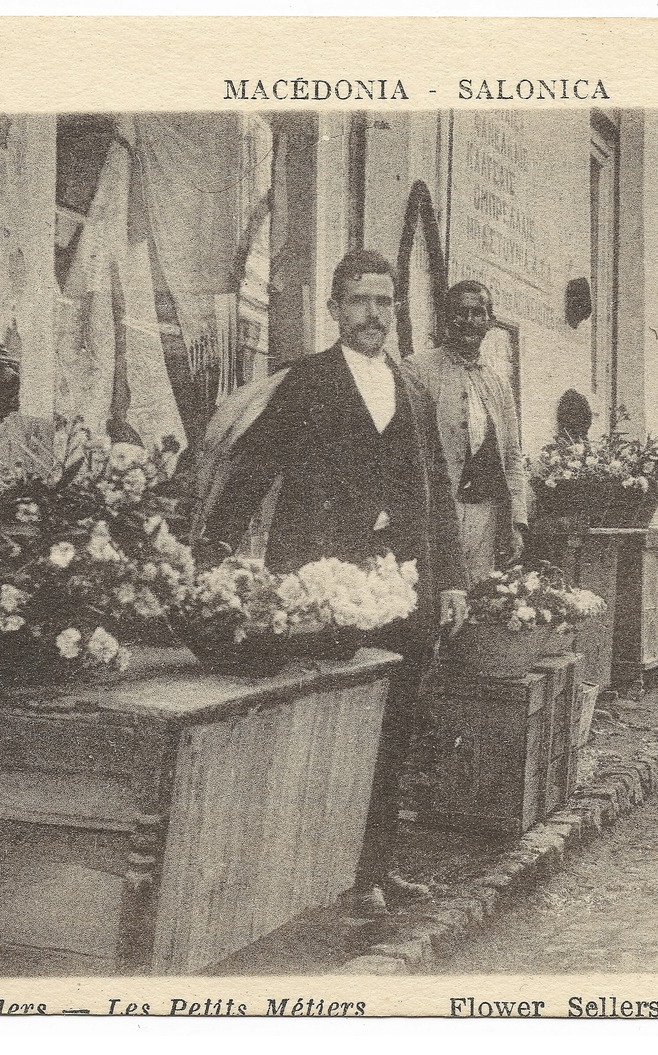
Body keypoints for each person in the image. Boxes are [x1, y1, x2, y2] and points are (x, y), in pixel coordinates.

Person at [203, 248, 469, 914]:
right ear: (333, 309)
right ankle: (310, 878)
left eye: (383, 301)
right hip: (318, 585)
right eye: (358, 300)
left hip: (398, 588)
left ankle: (374, 867)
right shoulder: (305, 382)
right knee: (322, 727)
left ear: (394, 309)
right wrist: (210, 551)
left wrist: (451, 580)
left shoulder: (409, 386)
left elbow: (436, 487)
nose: (372, 313)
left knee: (394, 728)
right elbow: (253, 471)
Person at [402, 280, 527, 581]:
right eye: (459, 313)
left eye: (477, 313)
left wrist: (517, 522)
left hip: (486, 514)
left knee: (481, 601)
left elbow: (511, 456)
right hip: (437, 516)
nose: (468, 321)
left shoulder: (498, 383)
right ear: (446, 318)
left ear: (490, 321)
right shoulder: (417, 369)